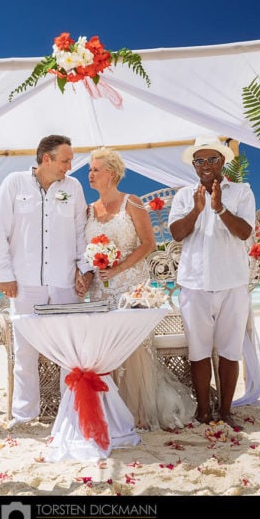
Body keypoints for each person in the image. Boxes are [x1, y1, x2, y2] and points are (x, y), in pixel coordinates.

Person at [84, 147, 196, 430]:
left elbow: (148, 244)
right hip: (99, 289)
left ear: (111, 173)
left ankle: (137, 411)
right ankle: (110, 410)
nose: (90, 174)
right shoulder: (88, 210)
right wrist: (84, 273)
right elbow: (82, 250)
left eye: (95, 169)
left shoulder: (131, 203)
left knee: (133, 349)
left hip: (130, 286)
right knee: (105, 348)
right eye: (90, 169)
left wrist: (119, 267)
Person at [0, 134, 94, 427]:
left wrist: (84, 270)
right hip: (24, 283)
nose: (69, 167)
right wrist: (4, 275)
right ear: (46, 159)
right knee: (25, 351)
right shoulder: (13, 183)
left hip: (63, 282)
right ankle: (25, 415)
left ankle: (69, 412)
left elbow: (80, 231)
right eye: (65, 160)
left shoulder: (73, 188)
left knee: (68, 349)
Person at [169, 135, 256, 430]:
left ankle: (227, 410)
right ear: (194, 165)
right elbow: (177, 234)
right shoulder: (183, 196)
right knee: (199, 350)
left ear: (222, 162)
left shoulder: (242, 192)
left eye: (211, 159)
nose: (205, 165)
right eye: (200, 161)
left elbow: (245, 232)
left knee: (231, 350)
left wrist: (219, 208)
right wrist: (197, 209)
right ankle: (204, 411)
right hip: (194, 283)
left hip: (232, 282)